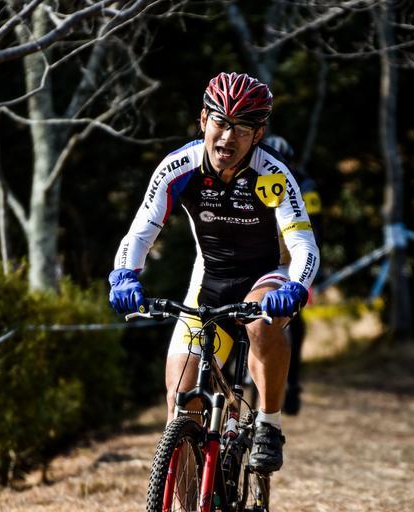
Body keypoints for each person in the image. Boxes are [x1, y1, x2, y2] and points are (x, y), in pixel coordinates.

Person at [108, 72, 320, 473]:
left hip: (266, 276)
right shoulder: (179, 167)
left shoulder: (273, 173)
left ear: (258, 135)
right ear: (203, 120)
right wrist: (124, 275)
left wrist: (295, 287)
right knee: (181, 402)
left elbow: (304, 245)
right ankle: (187, 497)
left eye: (242, 128)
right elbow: (140, 232)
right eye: (221, 123)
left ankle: (269, 424)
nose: (228, 137)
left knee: (260, 324)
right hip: (209, 279)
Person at [261, 134, 323, 415]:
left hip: (295, 256)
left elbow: (316, 230)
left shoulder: (306, 186)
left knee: (295, 318)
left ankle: (294, 382)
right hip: (263, 256)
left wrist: (310, 272)